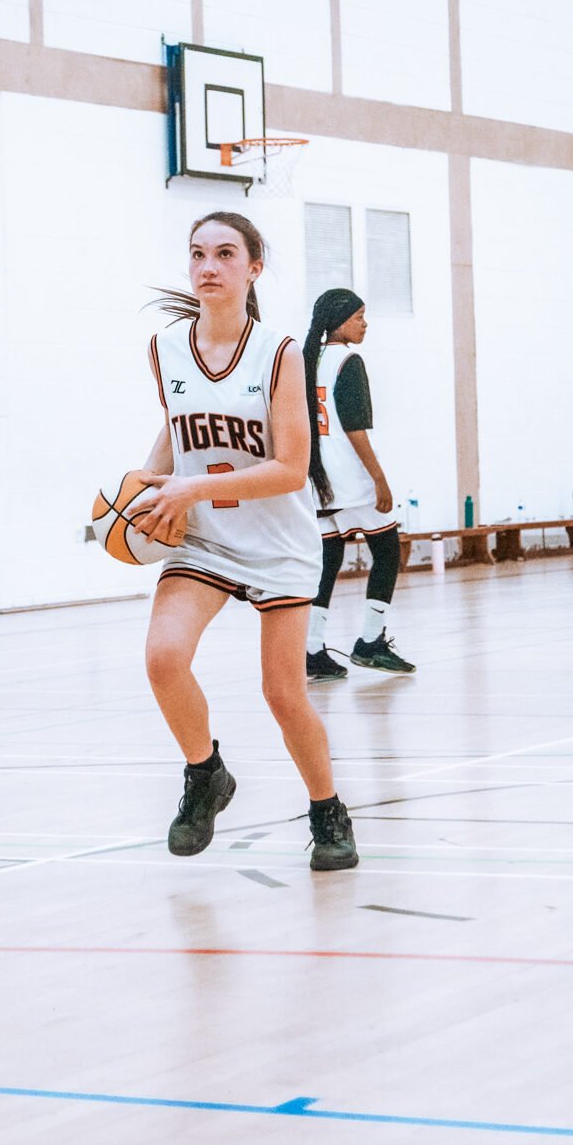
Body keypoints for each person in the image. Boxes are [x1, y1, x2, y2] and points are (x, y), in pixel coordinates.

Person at [133, 212, 359, 871]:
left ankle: (327, 810)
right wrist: (142, 490)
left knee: (282, 693)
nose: (208, 265)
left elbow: (291, 468)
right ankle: (205, 773)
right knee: (162, 656)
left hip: (279, 542)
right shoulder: (165, 348)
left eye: (225, 253)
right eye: (197, 253)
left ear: (252, 268)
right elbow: (176, 433)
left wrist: (188, 489)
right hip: (203, 540)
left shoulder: (280, 353)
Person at [302, 289, 415, 682]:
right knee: (387, 550)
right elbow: (355, 429)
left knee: (329, 558)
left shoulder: (306, 361)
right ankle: (370, 641)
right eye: (359, 317)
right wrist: (380, 479)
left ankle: (312, 649)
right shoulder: (348, 361)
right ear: (339, 321)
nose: (365, 324)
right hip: (350, 478)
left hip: (316, 481)